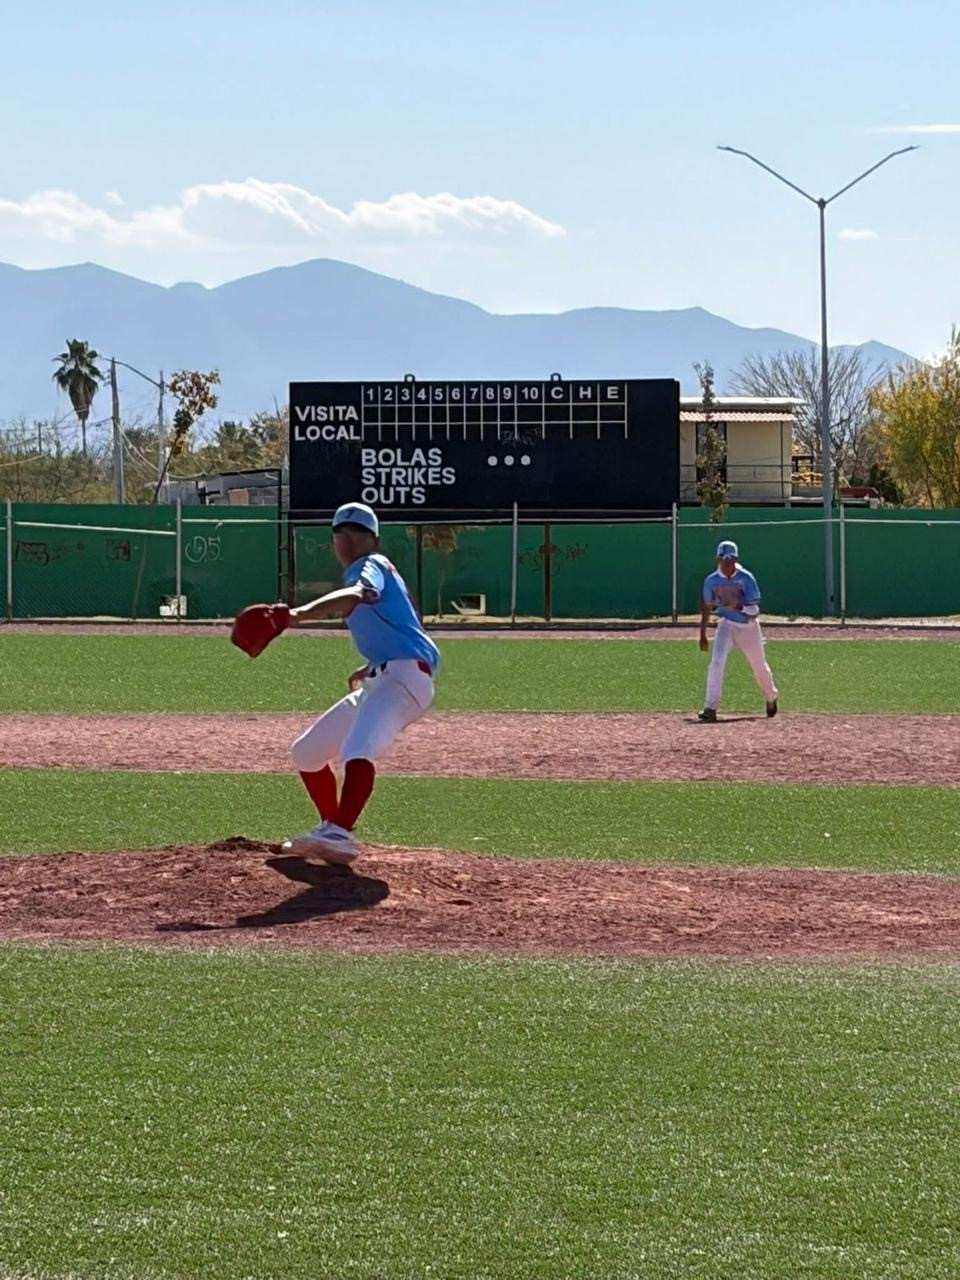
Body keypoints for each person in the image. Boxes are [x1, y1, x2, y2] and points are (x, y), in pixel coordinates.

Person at [281, 502, 440, 865]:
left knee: (357, 749)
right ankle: (330, 827)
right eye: (341, 533)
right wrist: (371, 668)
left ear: (374, 540)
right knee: (306, 752)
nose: (347, 540)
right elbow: (401, 626)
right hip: (386, 677)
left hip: (405, 678)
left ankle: (340, 833)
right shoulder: (368, 571)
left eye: (357, 532)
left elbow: (359, 595)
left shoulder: (369, 567)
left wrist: (299, 614)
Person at [698, 539, 778, 723]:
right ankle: (710, 708)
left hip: (749, 627)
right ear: (717, 560)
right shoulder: (711, 581)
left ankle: (771, 697)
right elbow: (707, 606)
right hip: (727, 625)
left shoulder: (746, 578)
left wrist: (737, 606)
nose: (727, 564)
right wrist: (702, 633)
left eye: (730, 560)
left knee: (759, 668)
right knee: (716, 663)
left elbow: (754, 610)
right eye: (723, 560)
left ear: (735, 560)